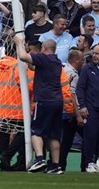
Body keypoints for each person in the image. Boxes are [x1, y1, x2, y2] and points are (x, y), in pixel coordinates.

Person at [14, 35, 66, 174]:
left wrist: (19, 43)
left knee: (36, 131)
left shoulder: (44, 58)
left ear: (45, 48)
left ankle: (40, 158)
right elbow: (32, 67)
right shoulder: (56, 61)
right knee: (54, 135)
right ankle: (55, 165)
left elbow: (24, 57)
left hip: (44, 100)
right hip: (57, 101)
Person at [76, 45, 99, 172]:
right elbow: (80, 89)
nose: (95, 56)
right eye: (94, 53)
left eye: (97, 54)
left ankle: (96, 161)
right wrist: (83, 106)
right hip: (92, 109)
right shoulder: (87, 69)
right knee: (90, 136)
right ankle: (89, 162)